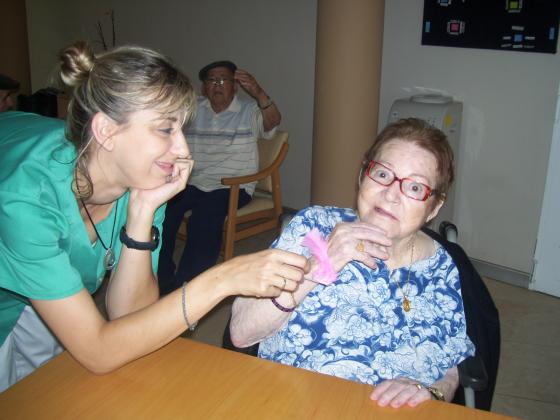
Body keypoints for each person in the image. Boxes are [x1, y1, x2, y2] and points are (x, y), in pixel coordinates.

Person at [0, 42, 307, 392]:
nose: (183, 151)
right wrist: (223, 278)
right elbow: (99, 350)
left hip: (40, 289)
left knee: (46, 385)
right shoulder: (26, 200)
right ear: (106, 131)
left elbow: (129, 317)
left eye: (182, 130)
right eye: (165, 129)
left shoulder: (143, 179)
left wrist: (143, 211)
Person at [230, 118, 475, 408]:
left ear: (434, 206)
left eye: (414, 188)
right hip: (292, 404)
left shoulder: (442, 266)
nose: (391, 194)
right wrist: (319, 265)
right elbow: (241, 332)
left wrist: (433, 391)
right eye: (383, 174)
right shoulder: (314, 226)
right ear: (362, 175)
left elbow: (451, 363)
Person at [158, 60, 281, 294]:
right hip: (193, 182)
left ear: (235, 86)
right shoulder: (194, 109)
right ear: (204, 87)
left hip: (232, 187)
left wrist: (258, 92)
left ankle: (189, 288)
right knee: (164, 212)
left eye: (224, 79)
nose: (217, 84)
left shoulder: (249, 111)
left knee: (203, 218)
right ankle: (161, 279)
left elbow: (273, 120)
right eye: (212, 80)